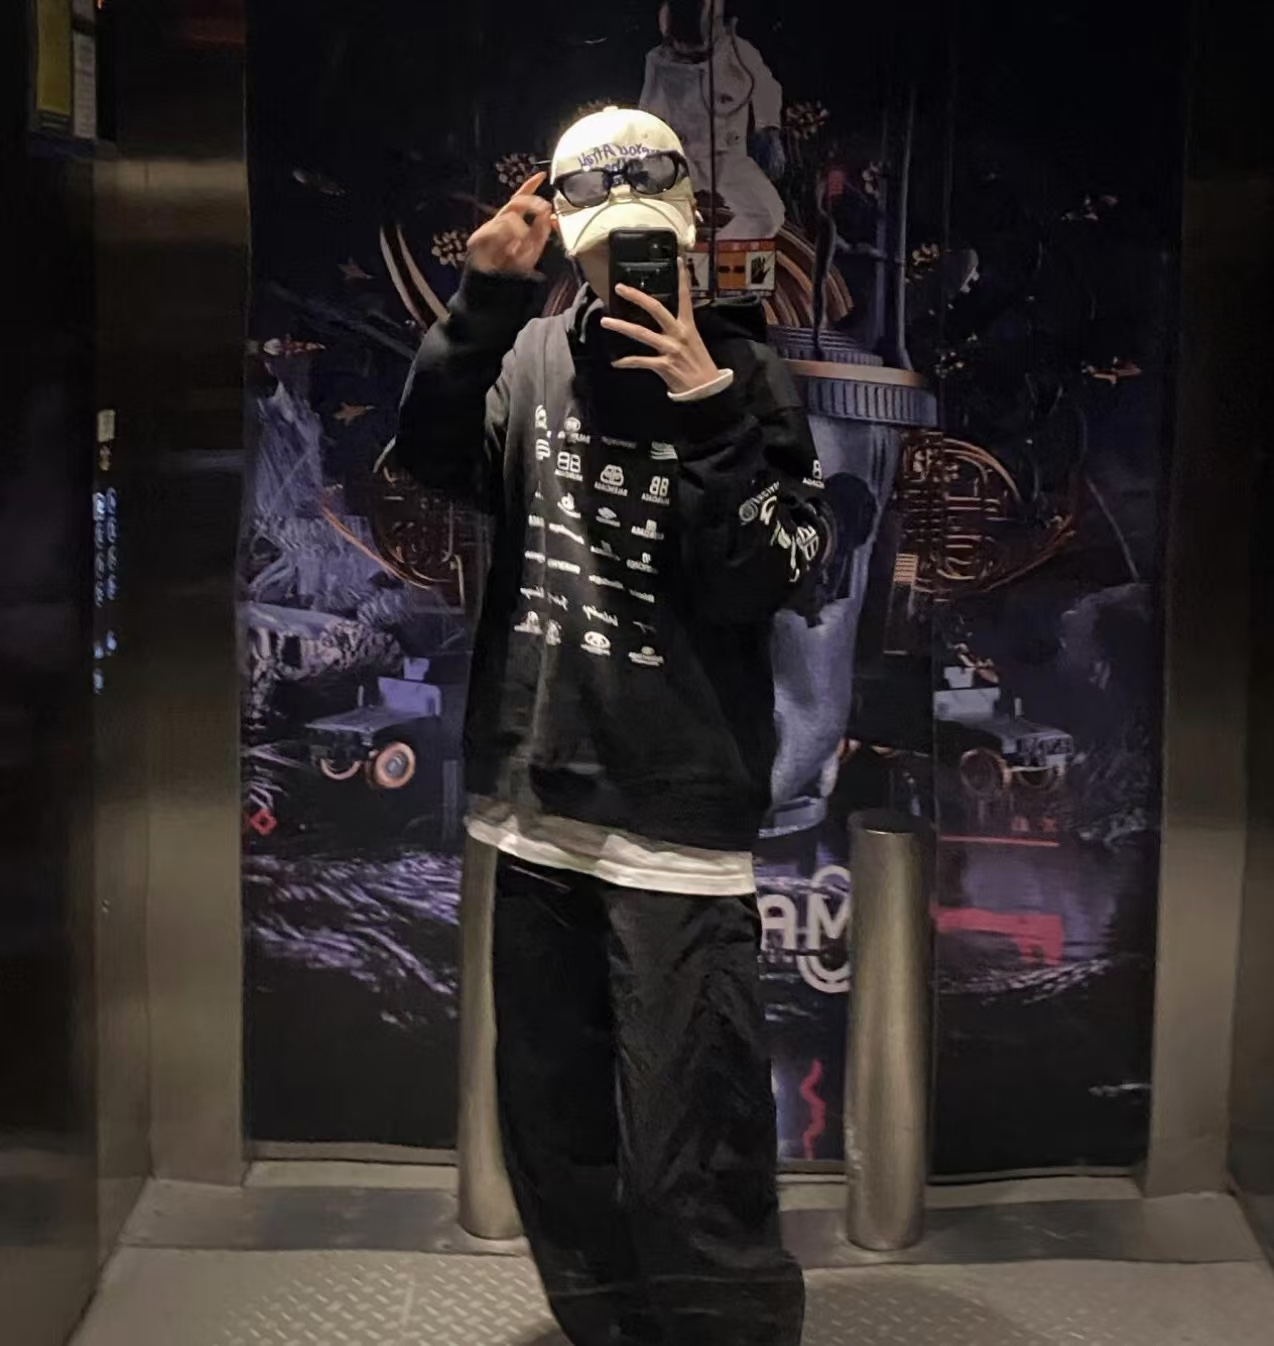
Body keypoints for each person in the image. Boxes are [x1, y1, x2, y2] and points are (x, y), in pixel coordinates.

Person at [396, 106, 823, 1346]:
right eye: (601, 249)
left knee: (697, 1160)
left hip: (676, 829)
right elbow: (431, 459)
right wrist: (482, 299)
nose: (624, 271)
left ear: (688, 232)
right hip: (536, 807)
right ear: (571, 247)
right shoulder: (530, 357)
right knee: (556, 1140)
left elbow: (764, 579)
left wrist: (708, 411)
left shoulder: (744, 375)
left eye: (647, 244)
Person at [640, 0, 787, 240]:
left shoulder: (737, 53)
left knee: (768, 215)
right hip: (681, 158)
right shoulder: (658, 61)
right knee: (652, 215)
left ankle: (718, 254)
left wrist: (769, 128)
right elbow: (648, 115)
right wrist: (648, 155)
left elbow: (766, 88)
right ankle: (674, 254)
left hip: (726, 157)